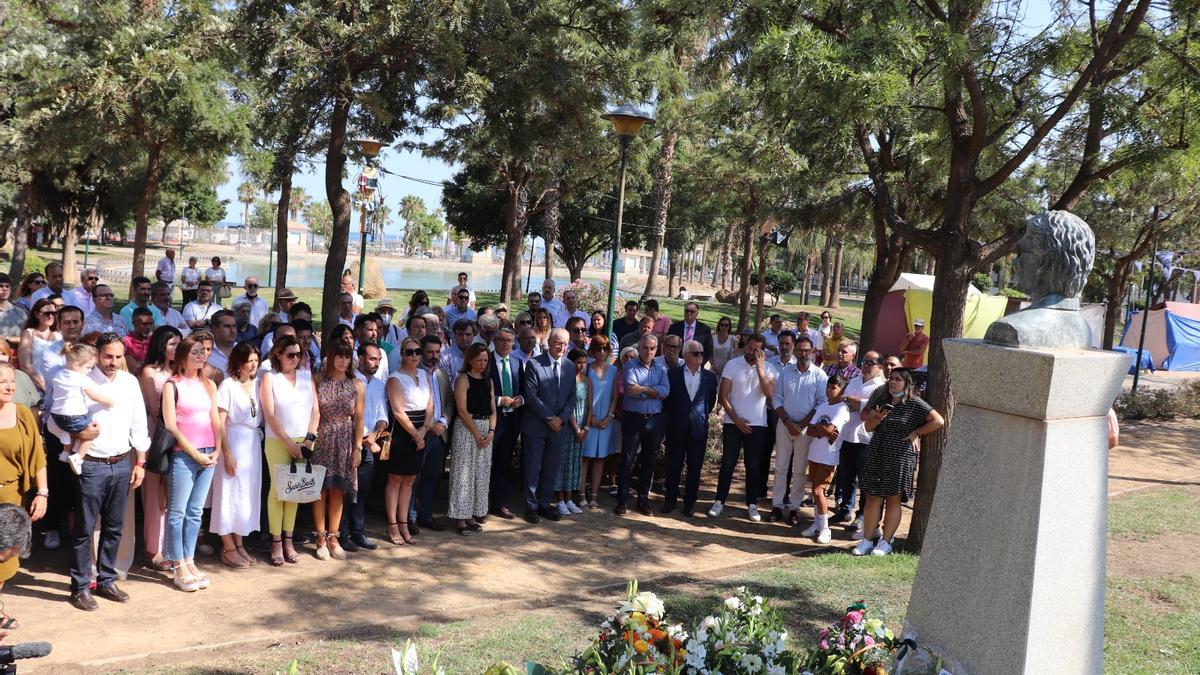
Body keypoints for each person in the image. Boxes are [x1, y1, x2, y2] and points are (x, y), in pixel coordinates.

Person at [66, 333, 148, 610]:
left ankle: (106, 579)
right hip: (91, 464)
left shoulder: (130, 382)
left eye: (117, 356)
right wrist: (79, 432)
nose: (113, 362)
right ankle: (79, 586)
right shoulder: (81, 379)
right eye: (107, 356)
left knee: (114, 527)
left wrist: (140, 462)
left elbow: (139, 423)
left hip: (123, 462)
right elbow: (60, 417)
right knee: (85, 529)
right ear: (98, 353)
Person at [854, 368, 944, 556]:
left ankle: (885, 542)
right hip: (877, 453)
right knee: (872, 498)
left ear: (907, 383)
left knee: (893, 499)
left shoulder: (915, 403)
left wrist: (917, 432)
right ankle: (867, 540)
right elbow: (868, 427)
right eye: (891, 379)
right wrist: (878, 418)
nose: (892, 382)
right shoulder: (882, 400)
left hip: (900, 456)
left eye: (897, 379)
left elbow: (938, 421)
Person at [161, 334, 221, 592]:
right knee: (177, 513)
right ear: (183, 356)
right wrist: (195, 453)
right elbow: (171, 425)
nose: (202, 356)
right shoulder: (171, 385)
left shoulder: (209, 384)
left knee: (195, 512)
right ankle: (177, 564)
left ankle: (189, 558)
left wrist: (218, 449)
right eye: (196, 352)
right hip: (185, 455)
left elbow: (215, 418)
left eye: (203, 352)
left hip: (209, 453)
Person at [259, 335, 320, 566]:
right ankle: (275, 541)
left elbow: (315, 410)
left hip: (304, 440)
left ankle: (288, 539)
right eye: (290, 354)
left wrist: (309, 439)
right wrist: (289, 443)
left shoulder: (306, 377)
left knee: (294, 491)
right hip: (278, 440)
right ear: (278, 354)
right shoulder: (269, 378)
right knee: (278, 490)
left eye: (299, 354)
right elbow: (270, 414)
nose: (295, 359)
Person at [0, 362, 47, 621]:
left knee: (5, 559)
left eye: (12, 381)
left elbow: (38, 457)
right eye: (2, 382)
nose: (9, 386)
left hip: (11, 497)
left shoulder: (22, 413)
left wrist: (43, 493)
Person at [711, 333, 775, 521]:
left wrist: (760, 369)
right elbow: (723, 396)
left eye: (756, 349)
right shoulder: (733, 365)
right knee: (728, 463)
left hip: (758, 424)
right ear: (745, 345)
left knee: (753, 465)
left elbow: (768, 393)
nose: (752, 352)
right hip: (733, 423)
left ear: (762, 351)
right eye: (749, 347)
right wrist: (736, 419)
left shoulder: (769, 368)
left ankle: (752, 504)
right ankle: (719, 501)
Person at [311, 341, 364, 561]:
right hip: (322, 436)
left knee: (338, 489)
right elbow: (312, 412)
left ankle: (334, 536)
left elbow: (359, 418)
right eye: (339, 356)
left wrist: (358, 447)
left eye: (347, 357)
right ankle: (320, 537)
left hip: (345, 437)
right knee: (320, 489)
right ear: (331, 356)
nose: (343, 361)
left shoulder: (356, 384)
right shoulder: (318, 380)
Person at [212, 343, 262, 569]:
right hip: (232, 441)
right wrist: (227, 453)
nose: (253, 365)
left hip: (251, 444)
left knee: (245, 495)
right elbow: (220, 423)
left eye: (256, 360)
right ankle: (227, 545)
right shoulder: (227, 386)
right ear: (239, 362)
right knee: (229, 493)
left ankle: (240, 542)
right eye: (249, 360)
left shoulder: (258, 384)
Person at [520, 328, 576, 523]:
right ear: (550, 342)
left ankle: (544, 503)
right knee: (533, 467)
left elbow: (572, 397)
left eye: (565, 343)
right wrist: (550, 418)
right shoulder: (534, 364)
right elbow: (531, 396)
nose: (562, 347)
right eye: (559, 342)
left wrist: (560, 419)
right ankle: (531, 506)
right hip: (536, 425)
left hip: (559, 426)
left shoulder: (570, 366)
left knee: (551, 466)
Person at [137, 326, 182, 571]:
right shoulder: (149, 372)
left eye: (179, 344)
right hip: (158, 435)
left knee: (173, 494)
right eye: (172, 344)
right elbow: (155, 409)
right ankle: (153, 549)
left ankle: (172, 547)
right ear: (161, 346)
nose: (176, 348)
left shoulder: (182, 372)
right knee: (155, 495)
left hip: (181, 436)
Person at [770, 335, 826, 524]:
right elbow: (776, 399)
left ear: (812, 352)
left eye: (807, 350)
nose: (803, 353)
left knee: (800, 470)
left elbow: (821, 404)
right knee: (780, 467)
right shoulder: (786, 373)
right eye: (800, 350)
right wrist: (787, 421)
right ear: (795, 350)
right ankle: (777, 506)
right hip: (784, 425)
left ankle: (794, 508)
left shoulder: (820, 376)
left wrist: (801, 425)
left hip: (805, 429)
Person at [340, 342, 388, 552]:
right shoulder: (350, 382)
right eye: (371, 358)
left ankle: (358, 531)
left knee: (362, 491)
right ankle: (341, 533)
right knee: (344, 490)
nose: (375, 363)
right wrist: (363, 438)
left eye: (378, 359)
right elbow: (347, 416)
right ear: (359, 358)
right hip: (350, 443)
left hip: (370, 444)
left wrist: (375, 435)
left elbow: (382, 416)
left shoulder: (378, 384)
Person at [384, 338, 432, 545]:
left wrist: (424, 429)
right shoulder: (395, 379)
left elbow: (431, 405)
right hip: (403, 434)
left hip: (421, 429)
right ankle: (393, 524)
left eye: (417, 351)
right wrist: (415, 433)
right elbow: (397, 410)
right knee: (395, 480)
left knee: (410, 480)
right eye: (409, 352)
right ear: (402, 354)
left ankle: (404, 523)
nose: (414, 355)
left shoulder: (424, 374)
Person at [616, 334, 669, 517]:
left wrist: (644, 389)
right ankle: (622, 501)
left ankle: (642, 500)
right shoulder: (630, 365)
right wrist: (654, 392)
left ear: (657, 349)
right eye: (646, 348)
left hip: (654, 420)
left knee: (649, 461)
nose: (649, 352)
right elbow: (631, 390)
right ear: (640, 348)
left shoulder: (661, 368)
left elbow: (665, 391)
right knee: (627, 460)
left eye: (652, 348)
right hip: (633, 418)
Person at [663, 340, 717, 516]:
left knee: (695, 468)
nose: (700, 356)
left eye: (702, 353)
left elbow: (710, 402)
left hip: (698, 429)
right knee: (673, 466)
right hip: (676, 427)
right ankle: (670, 501)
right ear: (685, 355)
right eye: (696, 353)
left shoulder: (710, 377)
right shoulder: (673, 374)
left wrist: (698, 418)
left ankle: (689, 503)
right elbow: (668, 402)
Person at [834, 351, 885, 530]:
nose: (865, 365)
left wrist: (854, 402)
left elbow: (868, 412)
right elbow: (844, 401)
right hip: (848, 435)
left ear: (880, 366)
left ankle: (862, 515)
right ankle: (845, 509)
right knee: (846, 476)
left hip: (866, 439)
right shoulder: (855, 381)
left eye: (870, 362)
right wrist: (856, 402)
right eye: (864, 361)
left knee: (864, 479)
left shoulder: (881, 387)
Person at [448, 344, 496, 535]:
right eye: (479, 360)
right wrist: (476, 433)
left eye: (485, 360)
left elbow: (493, 409)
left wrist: (491, 431)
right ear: (470, 360)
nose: (482, 363)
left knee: (480, 474)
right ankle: (460, 518)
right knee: (463, 473)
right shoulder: (463, 379)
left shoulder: (488, 381)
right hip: (467, 429)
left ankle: (473, 515)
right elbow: (461, 410)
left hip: (485, 429)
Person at [801, 376, 850, 543]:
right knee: (814, 490)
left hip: (829, 456)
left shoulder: (842, 409)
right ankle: (816, 524)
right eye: (828, 387)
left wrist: (822, 430)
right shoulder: (822, 406)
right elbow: (810, 431)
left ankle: (825, 529)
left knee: (819, 491)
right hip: (814, 453)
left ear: (842, 391)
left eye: (833, 388)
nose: (829, 390)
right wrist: (822, 430)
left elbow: (830, 430)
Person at [49, 344, 116, 463]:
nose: (90, 371)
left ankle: (65, 452)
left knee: (66, 429)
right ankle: (78, 457)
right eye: (88, 367)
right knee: (92, 432)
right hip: (73, 415)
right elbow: (93, 396)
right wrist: (109, 401)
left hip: (56, 415)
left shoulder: (59, 375)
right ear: (75, 365)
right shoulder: (81, 378)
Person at [413, 335, 453, 533]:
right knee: (413, 478)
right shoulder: (413, 374)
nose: (434, 356)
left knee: (431, 477)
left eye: (437, 352)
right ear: (421, 352)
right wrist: (429, 426)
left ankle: (426, 516)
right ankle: (409, 517)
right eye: (429, 352)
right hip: (419, 434)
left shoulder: (442, 374)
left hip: (439, 434)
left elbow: (449, 402)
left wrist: (443, 422)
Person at [488, 328, 525, 519]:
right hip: (492, 420)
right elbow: (477, 389)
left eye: (509, 340)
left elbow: (523, 390)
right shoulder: (485, 360)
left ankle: (499, 503)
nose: (505, 343)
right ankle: (481, 504)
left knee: (504, 463)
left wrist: (520, 399)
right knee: (486, 463)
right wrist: (498, 400)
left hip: (511, 421)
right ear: (494, 341)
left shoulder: (517, 362)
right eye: (501, 340)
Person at [580, 336, 617, 509]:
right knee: (585, 458)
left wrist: (609, 416)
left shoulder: (614, 370)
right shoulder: (586, 369)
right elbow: (583, 394)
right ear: (592, 350)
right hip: (589, 419)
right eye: (598, 348)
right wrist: (591, 417)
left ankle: (594, 495)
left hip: (606, 421)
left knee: (600, 459)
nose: (601, 352)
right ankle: (581, 494)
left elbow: (615, 396)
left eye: (604, 348)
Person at [554, 348, 590, 516]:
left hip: (582, 429)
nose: (581, 366)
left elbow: (590, 406)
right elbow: (565, 406)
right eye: (578, 362)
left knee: (575, 463)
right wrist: (576, 428)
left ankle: (569, 499)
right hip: (568, 427)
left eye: (584, 362)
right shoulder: (565, 380)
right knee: (562, 462)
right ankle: (560, 500)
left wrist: (586, 428)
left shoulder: (587, 381)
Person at [19, 298, 61, 391]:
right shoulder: (28, 333)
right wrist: (43, 385)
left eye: (54, 313)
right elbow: (25, 365)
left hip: (57, 386)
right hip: (36, 387)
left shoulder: (59, 336)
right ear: (36, 314)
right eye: (46, 313)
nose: (50, 316)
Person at [0, 274, 29, 347]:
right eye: (1, 286)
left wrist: (7, 338)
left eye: (7, 286)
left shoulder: (20, 313)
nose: (4, 289)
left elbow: (27, 339)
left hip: (13, 355)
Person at [122, 308, 156, 372]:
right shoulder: (127, 342)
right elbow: (135, 368)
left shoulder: (155, 339)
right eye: (144, 324)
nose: (148, 327)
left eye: (150, 324)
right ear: (134, 323)